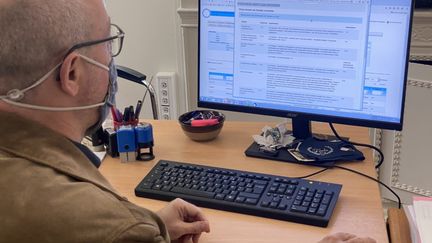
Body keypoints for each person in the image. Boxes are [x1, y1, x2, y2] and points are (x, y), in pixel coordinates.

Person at [0, 0, 376, 242]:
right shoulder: (110, 227)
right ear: (72, 74)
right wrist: (141, 230)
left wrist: (154, 225)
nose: (112, 59)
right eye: (107, 42)